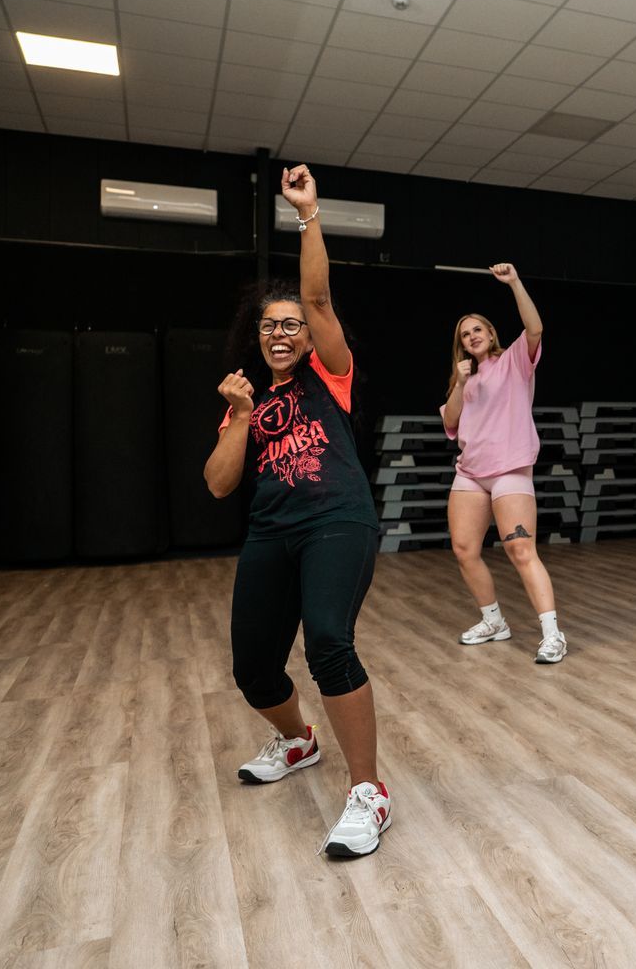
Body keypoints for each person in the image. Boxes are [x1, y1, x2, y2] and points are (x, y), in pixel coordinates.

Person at [203, 163, 392, 859]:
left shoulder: (330, 374)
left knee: (328, 644)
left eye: (291, 325)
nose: (280, 332)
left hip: (338, 520)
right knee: (253, 668)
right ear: (256, 337)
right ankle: (297, 741)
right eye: (268, 326)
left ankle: (368, 792)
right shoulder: (247, 401)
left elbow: (316, 295)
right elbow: (219, 483)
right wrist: (239, 415)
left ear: (309, 336)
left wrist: (307, 214)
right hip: (271, 531)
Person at [441, 264, 567, 664]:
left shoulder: (514, 360)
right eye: (465, 334)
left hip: (509, 469)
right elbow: (451, 421)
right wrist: (460, 383)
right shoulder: (464, 378)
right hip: (470, 474)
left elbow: (535, 328)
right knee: (464, 549)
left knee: (520, 549)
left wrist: (514, 283)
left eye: (477, 329)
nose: (472, 336)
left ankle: (553, 634)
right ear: (461, 345)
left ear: (491, 333)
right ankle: (493, 621)